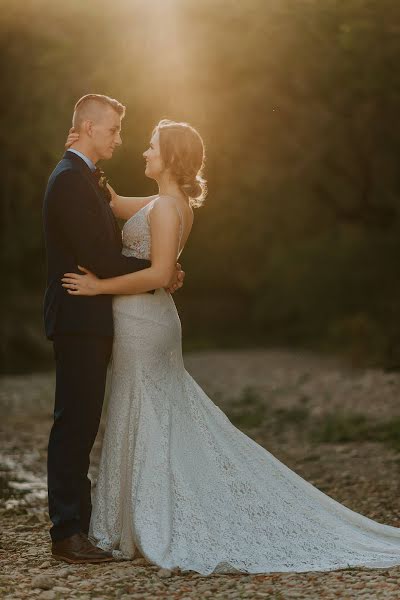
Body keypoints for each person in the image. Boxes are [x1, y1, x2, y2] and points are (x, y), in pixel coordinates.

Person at [61, 119, 400, 575]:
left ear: (172, 157)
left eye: (152, 146)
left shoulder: (165, 209)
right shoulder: (169, 203)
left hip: (145, 319)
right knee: (151, 411)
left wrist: (99, 286)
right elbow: (118, 204)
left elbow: (162, 274)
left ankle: (157, 518)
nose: (143, 152)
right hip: (151, 319)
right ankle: (149, 512)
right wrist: (88, 162)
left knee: (148, 410)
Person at [42, 95, 184, 564]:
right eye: (113, 131)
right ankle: (67, 531)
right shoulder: (68, 181)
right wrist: (160, 272)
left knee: (83, 420)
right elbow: (99, 259)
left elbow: (113, 225)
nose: (119, 140)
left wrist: (163, 269)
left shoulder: (84, 178)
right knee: (76, 421)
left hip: (95, 315)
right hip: (80, 315)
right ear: (87, 126)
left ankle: (78, 524)